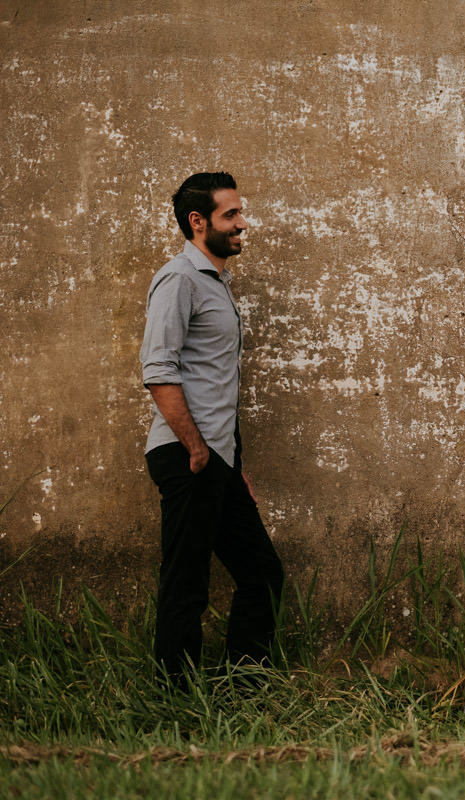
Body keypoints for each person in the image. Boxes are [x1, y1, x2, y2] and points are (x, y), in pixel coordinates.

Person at [139, 172, 284, 685]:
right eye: (231, 214)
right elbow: (158, 369)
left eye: (240, 212)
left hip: (217, 457)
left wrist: (233, 464)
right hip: (188, 455)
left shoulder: (214, 282)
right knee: (187, 581)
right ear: (198, 221)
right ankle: (175, 696)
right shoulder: (179, 279)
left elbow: (217, 385)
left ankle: (243, 690)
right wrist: (197, 449)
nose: (242, 223)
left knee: (261, 574)